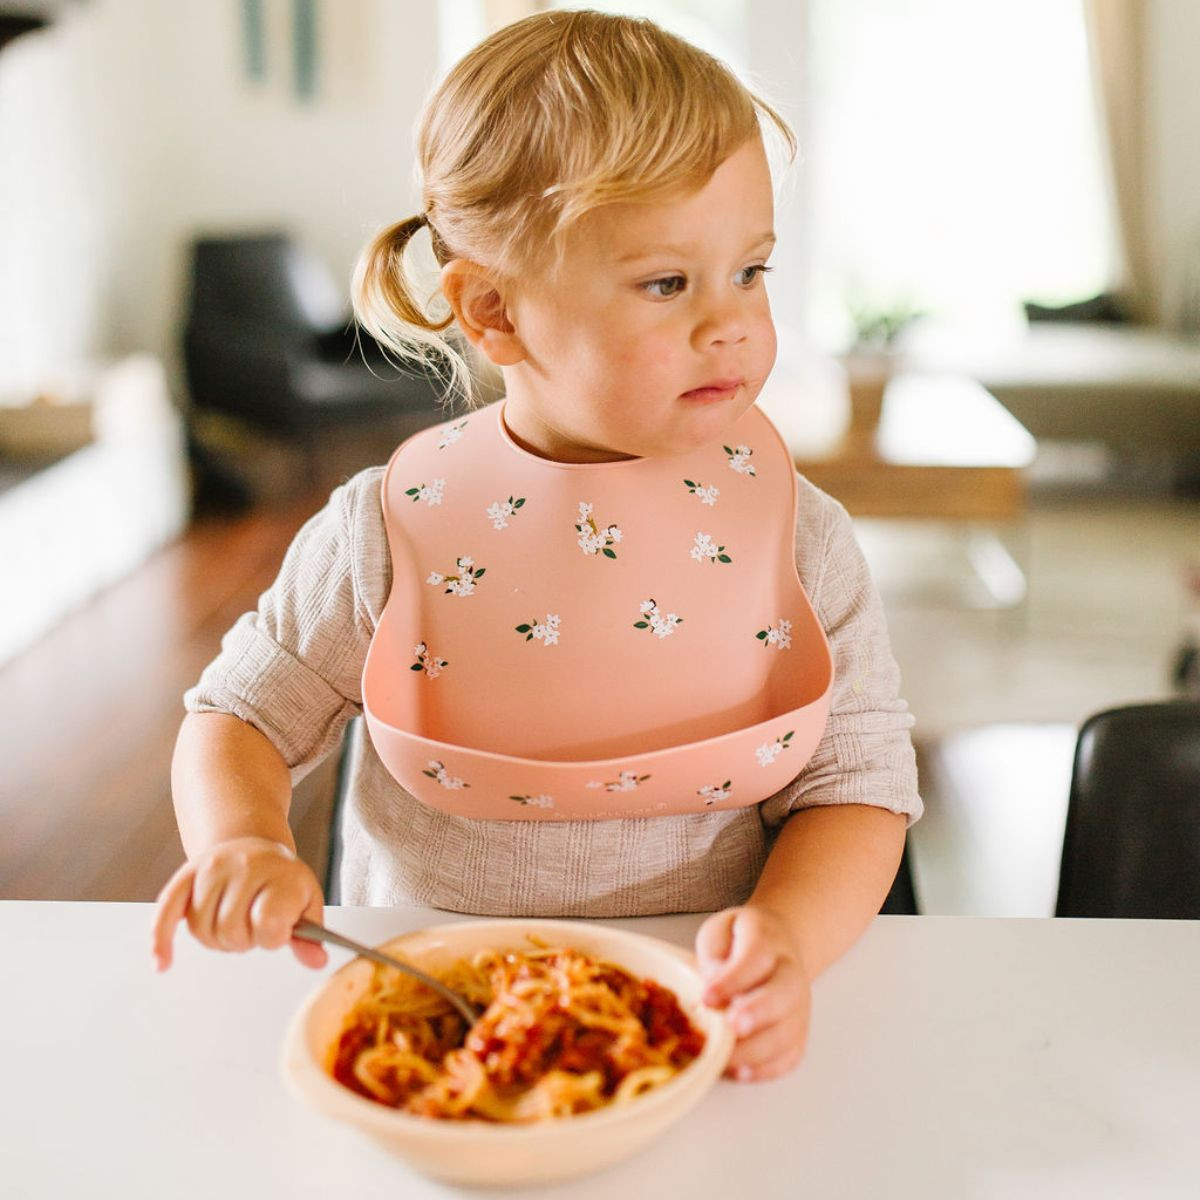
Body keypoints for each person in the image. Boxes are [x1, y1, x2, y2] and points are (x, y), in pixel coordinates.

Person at [152, 9, 921, 1083]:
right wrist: (242, 844)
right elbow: (235, 716)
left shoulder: (805, 537)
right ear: (495, 311)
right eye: (667, 283)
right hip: (427, 1020)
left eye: (750, 270)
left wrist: (786, 940)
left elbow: (858, 785)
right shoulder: (386, 532)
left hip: (694, 1018)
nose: (733, 324)